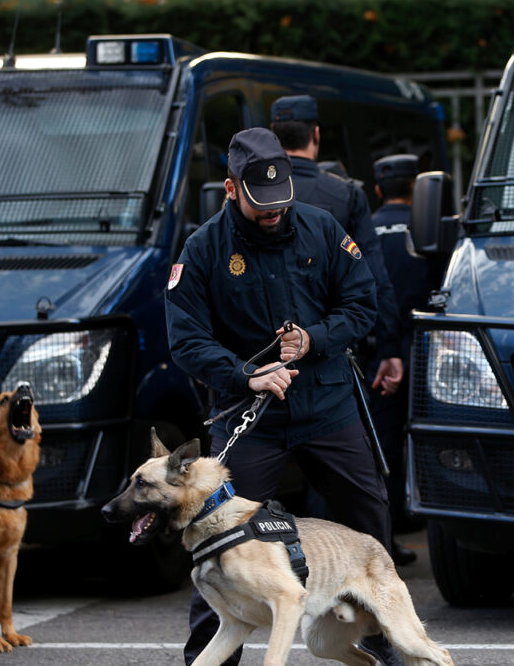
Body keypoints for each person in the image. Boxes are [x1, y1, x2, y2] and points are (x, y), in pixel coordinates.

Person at [166, 128, 397, 666]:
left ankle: (386, 639)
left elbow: (362, 304)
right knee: (218, 535)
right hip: (252, 417)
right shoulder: (202, 249)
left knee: (370, 516)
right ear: (230, 189)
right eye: (259, 202)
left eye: (281, 199)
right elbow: (185, 339)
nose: (274, 211)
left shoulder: (321, 228)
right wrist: (245, 374)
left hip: (327, 405)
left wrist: (316, 338)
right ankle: (209, 656)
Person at [270, 95, 404, 392]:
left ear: (273, 137)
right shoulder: (346, 194)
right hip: (332, 359)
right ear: (316, 133)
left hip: (265, 362)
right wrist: (389, 348)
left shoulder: (249, 196)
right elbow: (374, 278)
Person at [368, 154, 433, 565]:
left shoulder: (364, 229)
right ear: (417, 189)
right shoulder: (431, 228)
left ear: (378, 189)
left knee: (382, 447)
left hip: (381, 350)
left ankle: (385, 539)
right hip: (428, 347)